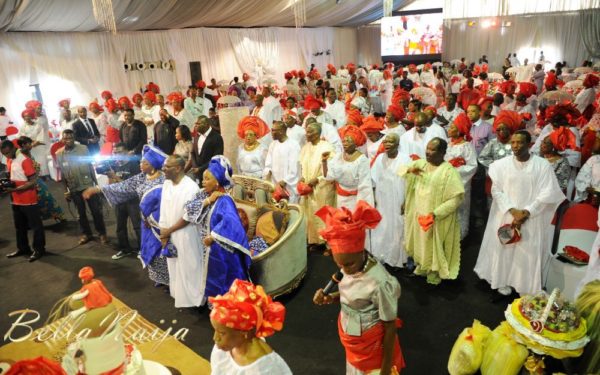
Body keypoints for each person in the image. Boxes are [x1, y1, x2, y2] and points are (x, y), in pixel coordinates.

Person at [313, 200, 405, 375]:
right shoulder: (348, 264)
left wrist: (385, 369)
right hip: (353, 343)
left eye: (349, 264)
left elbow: (390, 326)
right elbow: (351, 295)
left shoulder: (379, 282)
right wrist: (330, 297)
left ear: (361, 251)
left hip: (373, 349)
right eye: (339, 264)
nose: (345, 270)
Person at [474, 130, 565, 297]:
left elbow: (548, 192)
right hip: (506, 214)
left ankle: (522, 284)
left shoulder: (542, 165)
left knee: (526, 251)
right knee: (504, 248)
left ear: (529, 144)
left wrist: (527, 211)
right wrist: (513, 210)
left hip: (530, 217)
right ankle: (501, 280)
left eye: (520, 142)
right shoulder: (501, 165)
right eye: (513, 142)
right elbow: (496, 190)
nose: (515, 146)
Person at [83, 145, 169, 286]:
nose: (141, 164)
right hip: (147, 222)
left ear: (153, 165)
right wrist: (97, 189)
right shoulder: (142, 177)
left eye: (145, 163)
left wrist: (156, 220)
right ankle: (159, 278)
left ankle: (169, 281)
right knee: (151, 250)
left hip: (161, 223)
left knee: (162, 251)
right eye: (141, 162)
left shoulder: (165, 180)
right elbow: (123, 186)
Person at [401, 138, 464, 284]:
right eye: (427, 148)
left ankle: (433, 275)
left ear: (442, 153)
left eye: (433, 150)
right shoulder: (421, 163)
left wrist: (436, 213)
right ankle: (422, 268)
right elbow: (400, 170)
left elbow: (456, 199)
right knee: (419, 243)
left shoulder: (449, 171)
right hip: (418, 214)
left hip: (434, 217)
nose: (428, 152)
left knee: (433, 246)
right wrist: (410, 170)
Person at [209, 279, 291, 374]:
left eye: (222, 333)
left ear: (244, 333)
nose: (215, 338)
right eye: (215, 330)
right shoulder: (224, 349)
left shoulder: (266, 369)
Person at [158, 154, 205, 307]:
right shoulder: (167, 184)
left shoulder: (191, 187)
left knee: (190, 266)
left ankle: (195, 299)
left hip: (187, 233)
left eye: (167, 166)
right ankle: (180, 296)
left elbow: (188, 216)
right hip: (170, 233)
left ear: (178, 168)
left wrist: (169, 230)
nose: (163, 169)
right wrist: (163, 232)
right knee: (174, 264)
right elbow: (163, 209)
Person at [57, 130, 107, 245]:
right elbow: (63, 174)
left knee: (96, 211)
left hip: (87, 185)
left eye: (71, 138)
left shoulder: (83, 149)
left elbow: (90, 167)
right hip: (74, 187)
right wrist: (66, 191)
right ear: (62, 139)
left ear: (74, 138)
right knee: (80, 214)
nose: (68, 140)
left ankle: (102, 233)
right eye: (66, 138)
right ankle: (86, 234)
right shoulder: (59, 154)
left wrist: (96, 185)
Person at [371, 133, 412, 268]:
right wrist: (373, 198)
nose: (386, 145)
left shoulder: (405, 159)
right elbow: (373, 179)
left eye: (390, 142)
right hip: (382, 198)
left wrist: (406, 201)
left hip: (398, 198)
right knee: (382, 226)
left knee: (398, 226)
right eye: (385, 142)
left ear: (397, 144)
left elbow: (411, 183)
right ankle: (382, 254)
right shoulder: (379, 159)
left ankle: (397, 258)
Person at [1, 140, 46, 262]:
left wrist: (14, 189)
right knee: (19, 227)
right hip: (16, 199)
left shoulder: (24, 160)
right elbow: (14, 177)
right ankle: (23, 248)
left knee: (36, 226)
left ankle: (39, 249)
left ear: (12, 148)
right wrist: (6, 185)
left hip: (29, 199)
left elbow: (32, 182)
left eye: (7, 153)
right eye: (3, 154)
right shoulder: (10, 160)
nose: (6, 156)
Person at [299, 122, 336, 252]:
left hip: (322, 187)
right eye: (306, 131)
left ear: (317, 134)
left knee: (324, 214)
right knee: (310, 214)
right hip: (308, 187)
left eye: (309, 132)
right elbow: (301, 165)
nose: (306, 134)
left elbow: (331, 170)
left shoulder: (327, 147)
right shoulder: (305, 147)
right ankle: (315, 240)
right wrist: (303, 179)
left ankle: (328, 244)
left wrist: (318, 179)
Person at [324, 125, 373, 211]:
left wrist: (361, 207)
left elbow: (365, 185)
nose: (345, 143)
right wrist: (324, 162)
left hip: (355, 199)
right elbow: (329, 177)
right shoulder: (338, 156)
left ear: (355, 143)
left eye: (349, 141)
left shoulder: (362, 160)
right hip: (340, 198)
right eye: (344, 141)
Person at [16, 136, 65, 222]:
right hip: (30, 181)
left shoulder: (27, 151)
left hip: (37, 180)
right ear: (23, 145)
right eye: (29, 144)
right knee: (38, 201)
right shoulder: (20, 156)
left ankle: (57, 215)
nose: (31, 145)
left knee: (47, 197)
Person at [445, 113, 478, 239]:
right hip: (445, 182)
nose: (449, 129)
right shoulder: (448, 144)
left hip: (459, 183)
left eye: (452, 127)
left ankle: (459, 237)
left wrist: (453, 169)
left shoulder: (467, 146)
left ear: (460, 130)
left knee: (459, 210)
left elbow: (472, 166)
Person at [264, 121, 301, 204]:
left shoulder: (293, 145)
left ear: (281, 131)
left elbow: (294, 168)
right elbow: (268, 164)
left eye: (273, 130)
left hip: (288, 186)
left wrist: (284, 181)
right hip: (275, 185)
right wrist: (268, 175)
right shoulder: (272, 144)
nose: (271, 133)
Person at [187, 115, 224, 181]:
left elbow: (216, 159)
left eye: (198, 123)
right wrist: (195, 166)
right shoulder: (197, 136)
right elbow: (193, 153)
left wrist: (200, 169)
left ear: (206, 125)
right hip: (197, 174)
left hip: (210, 175)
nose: (195, 125)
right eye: (195, 123)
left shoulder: (217, 138)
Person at [18, 109, 50, 177]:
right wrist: (29, 143)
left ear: (32, 116)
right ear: (23, 118)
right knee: (33, 161)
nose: (27, 117)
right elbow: (21, 136)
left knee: (42, 160)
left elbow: (41, 134)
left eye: (28, 116)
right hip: (29, 147)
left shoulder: (38, 125)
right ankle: (38, 175)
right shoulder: (23, 127)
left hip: (38, 146)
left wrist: (36, 142)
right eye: (25, 116)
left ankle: (45, 175)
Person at [574, 133, 600, 202]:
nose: (595, 142)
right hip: (590, 198)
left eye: (597, 140)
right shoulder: (594, 159)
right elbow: (581, 177)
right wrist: (586, 187)